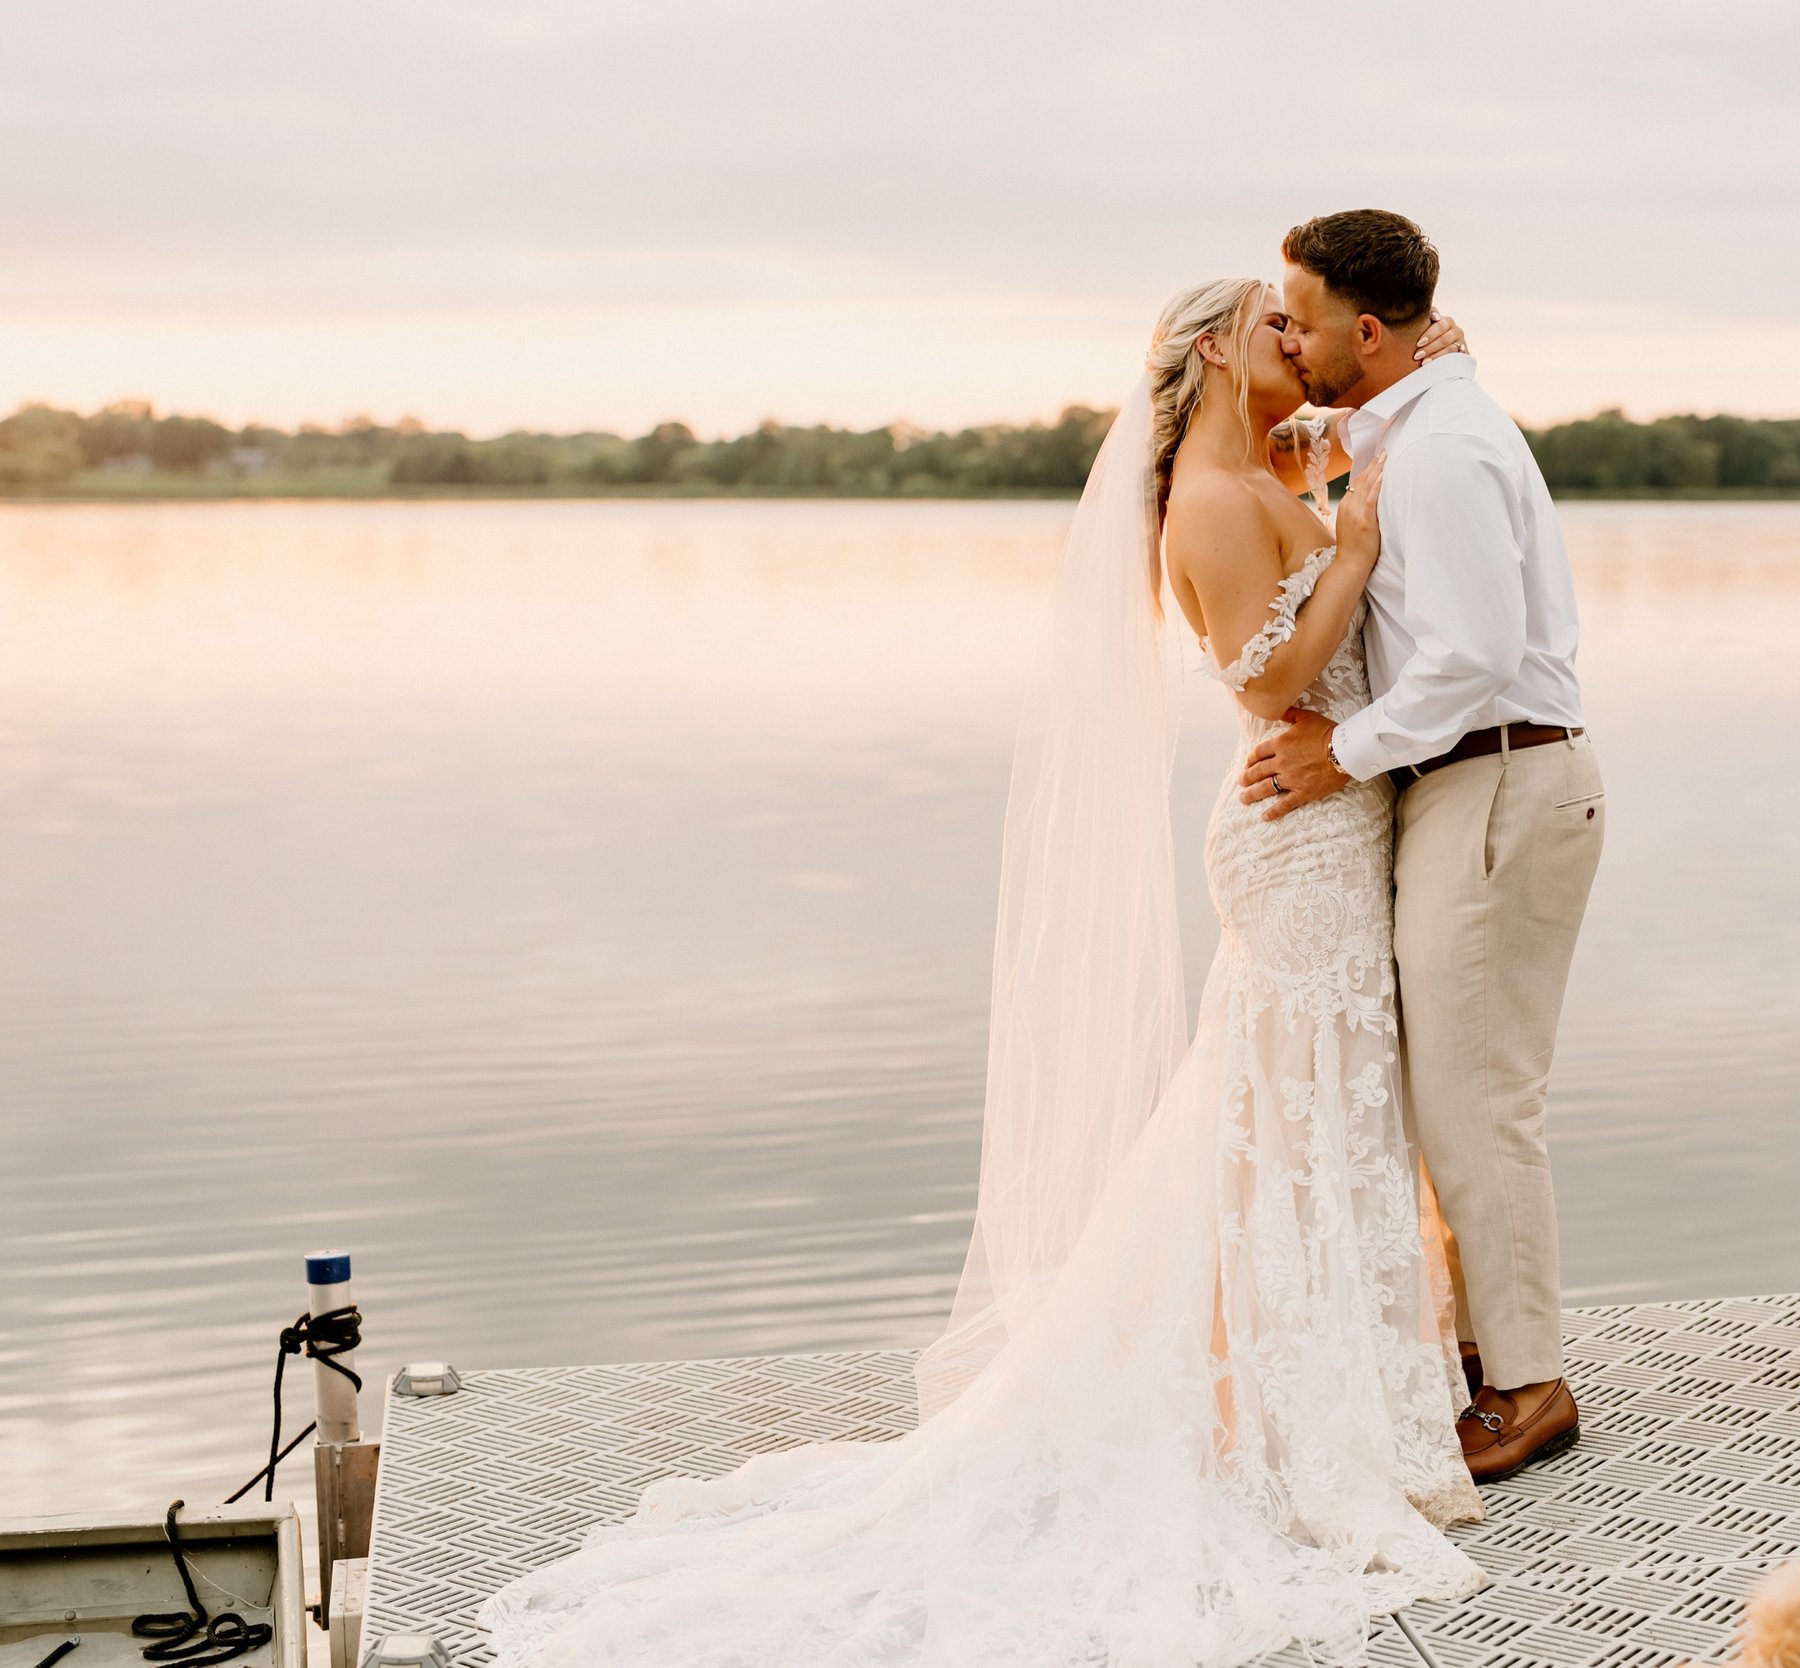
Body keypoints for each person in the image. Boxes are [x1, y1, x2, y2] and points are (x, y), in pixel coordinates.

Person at [480, 277, 1489, 1667]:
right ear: (1211, 348)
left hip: (1321, 825)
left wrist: (1387, 415)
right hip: (1295, 834)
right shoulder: (1208, 493)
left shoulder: (1249, 467)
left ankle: (1295, 1391)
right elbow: (1269, 687)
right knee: (1287, 1115)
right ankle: (1269, 1412)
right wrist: (1360, 549)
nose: (1300, 349)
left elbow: (1335, 463)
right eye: (1274, 328)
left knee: (1293, 1115)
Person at [1246, 209, 1603, 1484]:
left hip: (1500, 780)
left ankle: (1529, 1384)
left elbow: (1471, 657)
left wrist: (1331, 754)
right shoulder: (1412, 417)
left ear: (1369, 330)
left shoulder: (1444, 448)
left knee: (1478, 1100)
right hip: (1469, 785)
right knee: (1446, 1088)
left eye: (1299, 315)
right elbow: (1339, 424)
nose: (1286, 334)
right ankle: (1486, 1346)